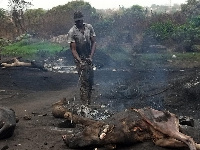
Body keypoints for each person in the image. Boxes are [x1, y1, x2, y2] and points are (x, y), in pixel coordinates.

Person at [67, 11, 96, 105]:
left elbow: (94, 43)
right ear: (74, 21)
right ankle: (84, 105)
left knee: (91, 80)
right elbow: (73, 49)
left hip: (88, 57)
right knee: (84, 82)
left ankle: (89, 102)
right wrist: (80, 62)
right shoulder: (72, 32)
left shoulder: (89, 27)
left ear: (82, 19)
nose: (78, 22)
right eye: (76, 21)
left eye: (80, 20)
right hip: (79, 58)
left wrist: (91, 57)